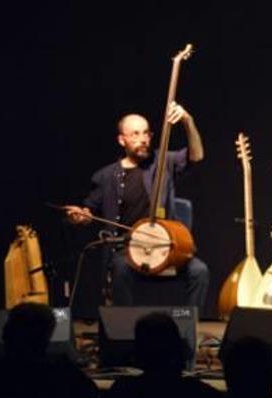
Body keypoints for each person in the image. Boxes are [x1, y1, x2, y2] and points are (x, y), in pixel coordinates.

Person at [63, 104, 209, 309]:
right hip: (128, 249)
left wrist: (187, 120)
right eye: (135, 134)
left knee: (199, 271)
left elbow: (197, 155)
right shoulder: (106, 176)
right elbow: (89, 212)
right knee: (120, 269)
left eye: (146, 133)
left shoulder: (163, 161)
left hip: (165, 247)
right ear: (122, 140)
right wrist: (79, 216)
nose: (142, 138)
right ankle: (127, 333)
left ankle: (185, 327)